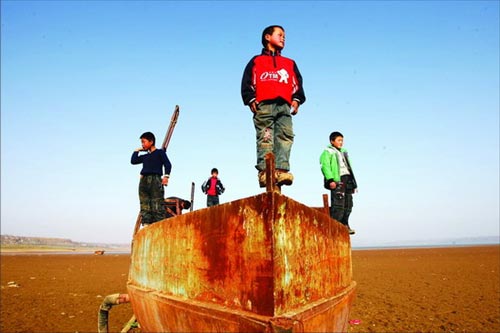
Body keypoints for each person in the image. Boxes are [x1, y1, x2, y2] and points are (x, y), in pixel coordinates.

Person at [241, 25, 306, 187]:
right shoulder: (256, 60)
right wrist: (250, 99)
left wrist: (296, 99)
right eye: (280, 34)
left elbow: (297, 83)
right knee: (266, 136)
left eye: (285, 35)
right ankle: (265, 172)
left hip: (284, 105)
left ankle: (282, 170)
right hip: (264, 105)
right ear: (267, 37)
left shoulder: (289, 63)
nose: (283, 38)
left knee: (285, 135)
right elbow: (247, 81)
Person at [320, 131, 358, 235]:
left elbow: (349, 167)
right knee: (338, 204)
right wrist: (330, 180)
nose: (341, 142)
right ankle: (335, 226)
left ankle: (345, 224)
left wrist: (353, 183)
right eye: (339, 140)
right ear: (332, 141)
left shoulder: (344, 152)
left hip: (348, 179)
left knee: (348, 203)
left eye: (342, 140)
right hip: (337, 179)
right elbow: (325, 166)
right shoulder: (327, 152)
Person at [131, 132, 172, 226]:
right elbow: (133, 161)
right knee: (144, 203)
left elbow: (167, 164)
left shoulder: (160, 153)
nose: (142, 144)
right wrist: (138, 150)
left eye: (144, 142)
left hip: (155, 180)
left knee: (157, 203)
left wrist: (166, 176)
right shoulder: (146, 156)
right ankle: (146, 224)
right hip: (144, 181)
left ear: (151, 141)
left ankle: (158, 225)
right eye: (141, 142)